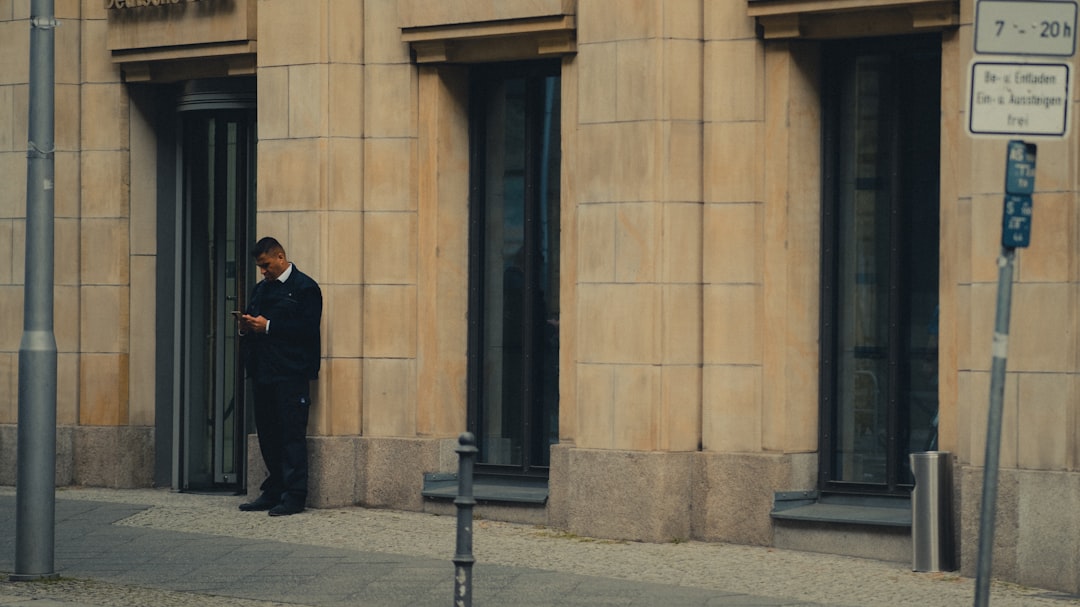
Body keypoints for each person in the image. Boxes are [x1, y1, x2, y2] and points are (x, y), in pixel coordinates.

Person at [236, 237, 322, 516]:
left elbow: (308, 329)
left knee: (291, 435)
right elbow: (256, 322)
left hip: (291, 373)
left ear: (281, 257)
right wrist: (247, 326)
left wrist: (269, 326)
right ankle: (274, 490)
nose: (263, 271)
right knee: (268, 435)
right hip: (263, 372)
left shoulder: (305, 288)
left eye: (266, 265)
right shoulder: (261, 289)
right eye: (260, 267)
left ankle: (295, 495)